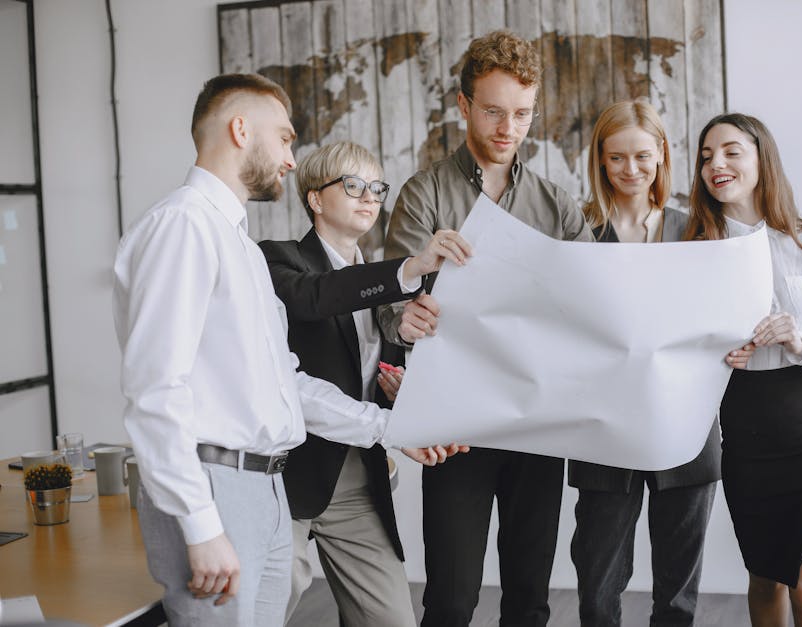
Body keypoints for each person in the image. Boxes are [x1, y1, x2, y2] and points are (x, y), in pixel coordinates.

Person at [113, 73, 453, 627]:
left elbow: (288, 384)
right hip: (219, 485)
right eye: (287, 138)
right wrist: (202, 525)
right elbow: (155, 390)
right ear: (241, 129)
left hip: (268, 489)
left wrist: (393, 429)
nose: (292, 160)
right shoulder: (183, 225)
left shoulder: (239, 249)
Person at [377, 30, 593, 627]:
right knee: (450, 598)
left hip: (535, 421)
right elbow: (391, 307)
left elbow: (589, 309)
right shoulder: (423, 195)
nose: (508, 128)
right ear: (464, 104)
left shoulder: (558, 204)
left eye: (521, 114)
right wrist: (406, 318)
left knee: (530, 597)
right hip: (456, 424)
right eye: (494, 111)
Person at [258, 141, 470, 626]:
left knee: (392, 620)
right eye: (353, 185)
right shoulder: (277, 260)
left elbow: (377, 369)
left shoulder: (383, 289)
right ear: (315, 198)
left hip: (357, 477)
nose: (369, 197)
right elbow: (316, 298)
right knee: (270, 598)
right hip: (286, 477)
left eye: (377, 188)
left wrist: (402, 386)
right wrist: (411, 268)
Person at [685, 113, 802, 627]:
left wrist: (799, 339)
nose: (715, 164)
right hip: (745, 429)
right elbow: (679, 350)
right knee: (764, 579)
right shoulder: (696, 253)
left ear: (761, 158)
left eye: (730, 151)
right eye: (705, 157)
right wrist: (714, 355)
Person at [567, 99, 720, 627]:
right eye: (616, 159)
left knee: (677, 594)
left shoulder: (699, 229)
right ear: (599, 161)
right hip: (602, 428)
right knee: (596, 586)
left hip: (686, 421)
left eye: (641, 157)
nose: (630, 171)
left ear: (661, 155)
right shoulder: (577, 233)